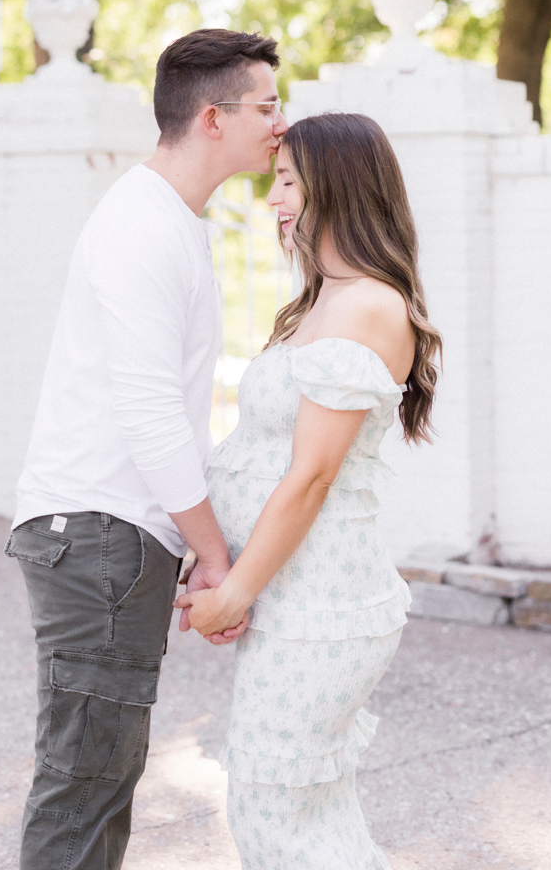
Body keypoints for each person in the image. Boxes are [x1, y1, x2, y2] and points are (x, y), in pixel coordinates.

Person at [4, 28, 288, 870]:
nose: (280, 124)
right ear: (212, 116)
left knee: (101, 775)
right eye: (266, 106)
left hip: (112, 537)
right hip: (96, 534)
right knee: (84, 780)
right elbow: (149, 412)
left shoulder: (172, 221)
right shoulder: (142, 225)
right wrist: (215, 559)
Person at [175, 112, 442, 870]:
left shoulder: (364, 306)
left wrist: (236, 592)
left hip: (321, 608)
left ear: (339, 186)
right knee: (304, 815)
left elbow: (312, 476)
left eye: (289, 180)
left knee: (273, 813)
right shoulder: (326, 301)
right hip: (297, 602)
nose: (274, 198)